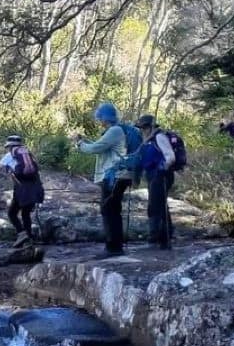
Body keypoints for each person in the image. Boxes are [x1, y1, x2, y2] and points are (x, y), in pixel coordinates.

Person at [72, 103, 133, 257]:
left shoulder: (115, 130)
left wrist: (80, 144)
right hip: (119, 175)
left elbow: (95, 149)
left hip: (114, 176)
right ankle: (115, 246)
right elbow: (102, 148)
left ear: (105, 118)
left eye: (100, 118)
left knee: (108, 210)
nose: (99, 121)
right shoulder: (116, 130)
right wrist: (86, 142)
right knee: (112, 209)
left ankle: (113, 248)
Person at [0, 135, 46, 248]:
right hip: (36, 188)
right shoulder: (28, 154)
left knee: (12, 213)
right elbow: (36, 169)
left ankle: (22, 234)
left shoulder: (9, 156)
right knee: (26, 213)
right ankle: (29, 239)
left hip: (22, 189)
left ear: (10, 146)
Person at [137, 114, 178, 250]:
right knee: (159, 206)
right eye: (141, 128)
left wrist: (162, 169)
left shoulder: (159, 137)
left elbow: (170, 157)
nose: (142, 130)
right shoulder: (150, 140)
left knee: (156, 207)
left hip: (161, 177)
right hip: (154, 176)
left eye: (144, 127)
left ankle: (161, 240)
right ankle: (163, 236)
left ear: (150, 127)